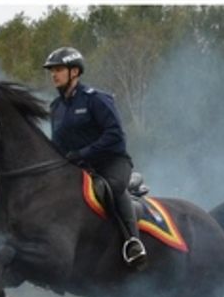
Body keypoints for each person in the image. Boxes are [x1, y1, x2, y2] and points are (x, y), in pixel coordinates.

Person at [42, 46, 147, 269]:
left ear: (75, 72)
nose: (54, 74)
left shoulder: (96, 99)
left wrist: (82, 154)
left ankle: (133, 242)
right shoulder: (56, 108)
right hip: (78, 169)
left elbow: (115, 135)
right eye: (51, 70)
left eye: (59, 69)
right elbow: (57, 146)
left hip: (112, 164)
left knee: (108, 188)